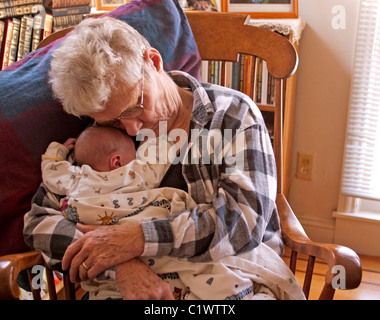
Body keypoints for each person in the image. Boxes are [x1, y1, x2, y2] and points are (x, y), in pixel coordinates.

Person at [24, 17, 305, 300]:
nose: (132, 128)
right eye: (115, 119)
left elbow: (242, 223)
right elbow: (40, 221)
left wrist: (139, 239)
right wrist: (120, 262)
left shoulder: (233, 116)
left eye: (135, 107)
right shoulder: (99, 136)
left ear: (154, 62)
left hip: (232, 280)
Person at [41, 126, 303, 300]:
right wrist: (163, 135)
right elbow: (160, 153)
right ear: (118, 162)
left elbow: (52, 172)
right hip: (158, 249)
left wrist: (58, 150)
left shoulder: (74, 182)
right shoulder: (134, 172)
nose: (134, 129)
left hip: (134, 255)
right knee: (208, 277)